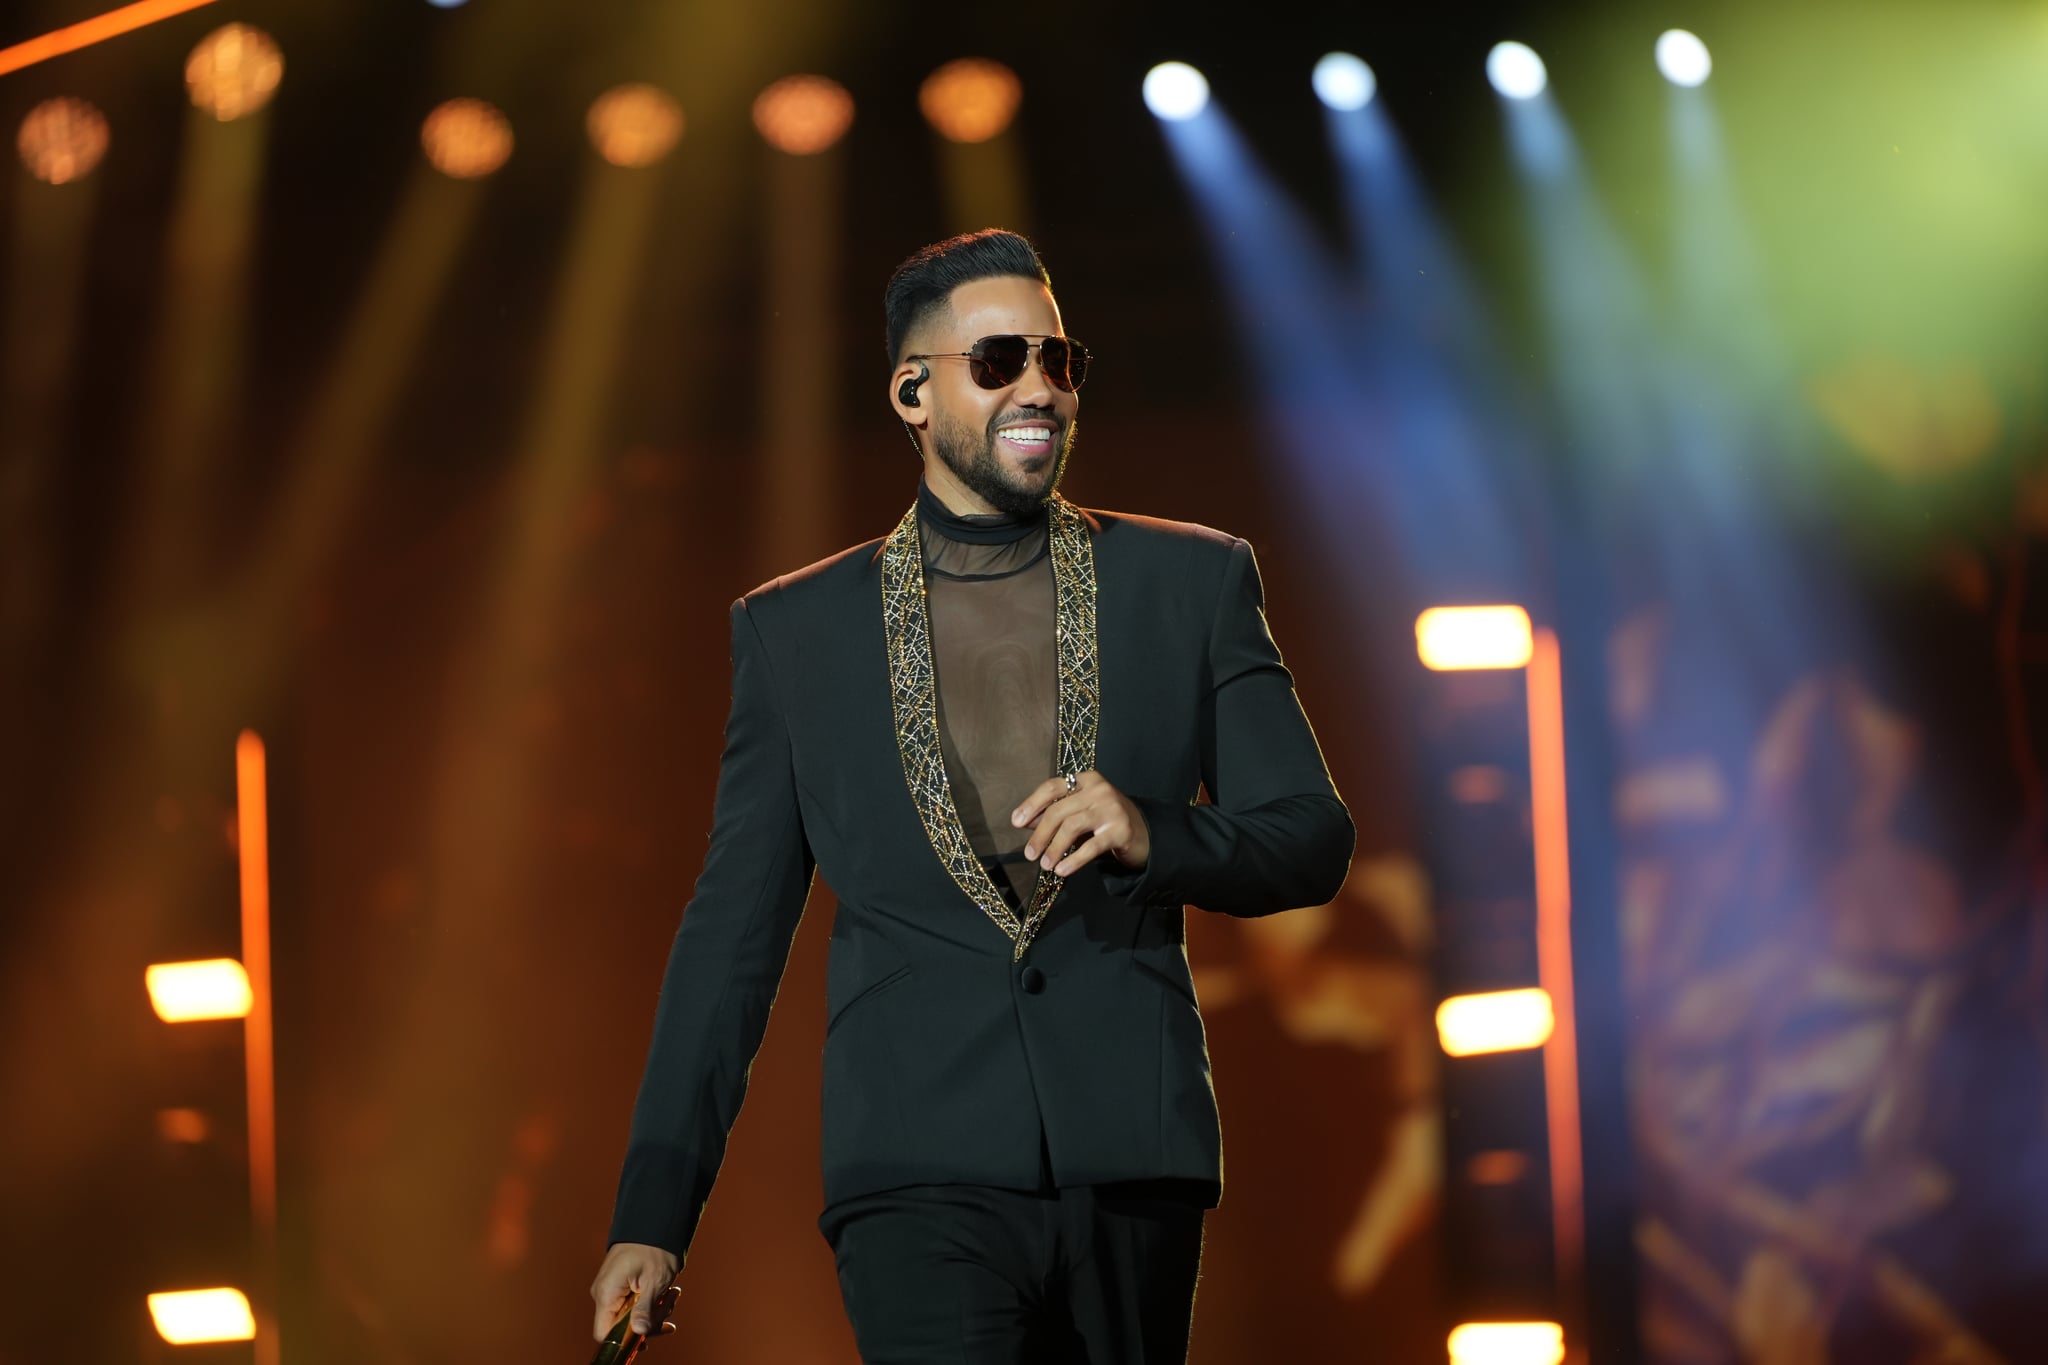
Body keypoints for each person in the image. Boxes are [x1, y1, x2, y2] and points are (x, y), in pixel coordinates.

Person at [590, 229, 1354, 1363]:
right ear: (912, 390)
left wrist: (1155, 832)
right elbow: (731, 941)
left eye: (1059, 360)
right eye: (997, 362)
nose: (1039, 387)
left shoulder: (1188, 580)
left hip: (1132, 1163)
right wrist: (653, 1217)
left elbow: (1309, 839)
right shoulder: (796, 631)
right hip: (913, 1169)